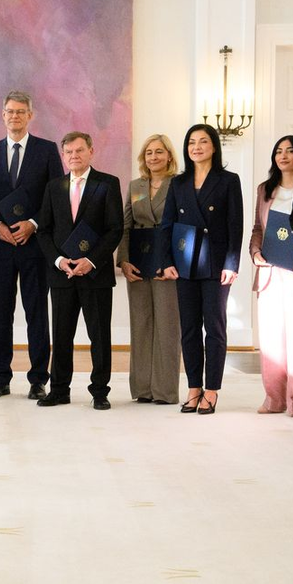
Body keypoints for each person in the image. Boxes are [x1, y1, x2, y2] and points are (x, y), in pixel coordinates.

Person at [0, 91, 62, 400]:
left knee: (37, 312)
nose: (15, 116)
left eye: (21, 112)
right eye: (10, 111)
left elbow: (56, 198)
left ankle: (38, 379)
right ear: (2, 114)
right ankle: (0, 378)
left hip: (35, 245)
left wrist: (33, 224)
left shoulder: (47, 151)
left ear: (30, 115)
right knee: (1, 313)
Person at [159, 122, 243, 415]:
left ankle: (212, 389)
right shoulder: (178, 183)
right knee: (190, 328)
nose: (196, 147)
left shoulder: (229, 180)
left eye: (203, 142)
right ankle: (193, 387)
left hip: (217, 264)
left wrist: (232, 264)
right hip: (185, 263)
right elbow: (167, 225)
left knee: (215, 327)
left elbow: (236, 226)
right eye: (192, 142)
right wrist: (166, 261)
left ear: (214, 147)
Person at [35, 131, 123, 409]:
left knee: (99, 336)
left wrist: (91, 261)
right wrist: (59, 261)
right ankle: (59, 389)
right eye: (69, 152)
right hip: (62, 275)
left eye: (79, 151)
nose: (74, 156)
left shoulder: (108, 184)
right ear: (63, 156)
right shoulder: (53, 187)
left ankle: (100, 392)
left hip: (95, 275)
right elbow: (44, 231)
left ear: (91, 152)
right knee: (61, 336)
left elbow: (115, 229)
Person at [249, 134, 293, 416]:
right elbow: (257, 230)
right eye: (278, 151)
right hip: (270, 272)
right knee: (272, 340)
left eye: (290, 151)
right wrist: (255, 253)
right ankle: (273, 398)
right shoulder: (265, 189)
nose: (283, 155)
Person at [116, 134, 180, 405]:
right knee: (140, 324)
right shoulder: (136, 186)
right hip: (138, 263)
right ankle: (142, 389)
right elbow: (126, 225)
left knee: (167, 326)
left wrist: (174, 262)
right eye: (148, 153)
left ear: (169, 155)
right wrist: (123, 261)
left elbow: (182, 225)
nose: (153, 157)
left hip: (167, 263)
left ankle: (164, 391)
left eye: (158, 152)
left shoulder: (179, 184)